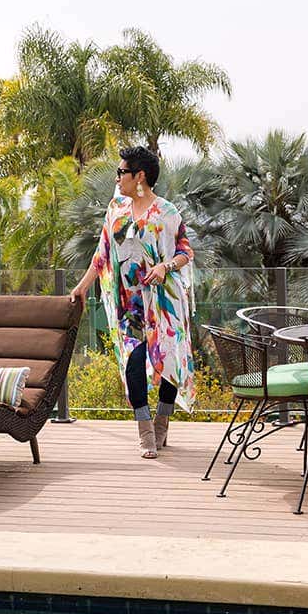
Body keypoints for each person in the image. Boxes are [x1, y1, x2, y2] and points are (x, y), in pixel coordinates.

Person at [70, 146, 196, 459]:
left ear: (139, 176)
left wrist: (164, 266)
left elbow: (184, 252)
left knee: (169, 361)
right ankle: (145, 429)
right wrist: (83, 287)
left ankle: (162, 420)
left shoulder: (167, 212)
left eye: (121, 171)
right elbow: (101, 253)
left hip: (165, 299)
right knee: (133, 360)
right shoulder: (116, 209)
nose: (117, 177)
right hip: (129, 302)